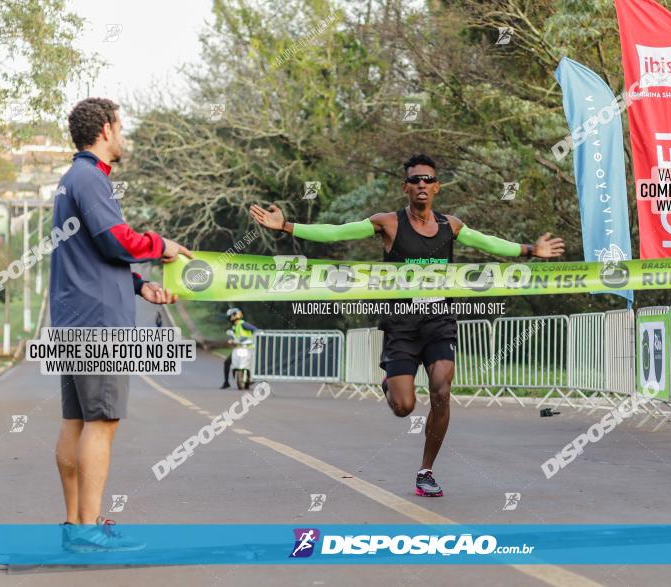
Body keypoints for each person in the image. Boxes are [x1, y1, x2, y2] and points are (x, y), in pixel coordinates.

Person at [250, 153, 565, 497]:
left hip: (439, 322)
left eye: (428, 180)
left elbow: (488, 242)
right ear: (405, 187)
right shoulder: (389, 223)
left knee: (442, 391)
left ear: (437, 187)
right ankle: (390, 379)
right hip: (401, 325)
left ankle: (426, 471)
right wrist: (286, 225)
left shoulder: (451, 226)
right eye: (415, 180)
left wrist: (531, 250)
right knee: (404, 407)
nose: (421, 185)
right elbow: (337, 232)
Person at [52, 97, 191, 551]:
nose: (123, 134)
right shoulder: (90, 178)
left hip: (74, 319)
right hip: (99, 324)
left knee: (76, 419)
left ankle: (75, 525)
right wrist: (162, 245)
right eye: (121, 125)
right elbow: (116, 240)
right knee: (102, 421)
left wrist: (140, 286)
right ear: (106, 129)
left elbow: (94, 253)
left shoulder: (72, 180)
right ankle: (89, 528)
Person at [220, 307, 259, 389]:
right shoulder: (234, 327)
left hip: (249, 348)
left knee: (254, 363)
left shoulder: (243, 324)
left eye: (231, 316)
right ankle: (226, 382)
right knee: (227, 362)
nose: (230, 318)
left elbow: (255, 330)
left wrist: (254, 337)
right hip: (239, 348)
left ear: (235, 315)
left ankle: (254, 378)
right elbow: (233, 337)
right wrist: (231, 340)